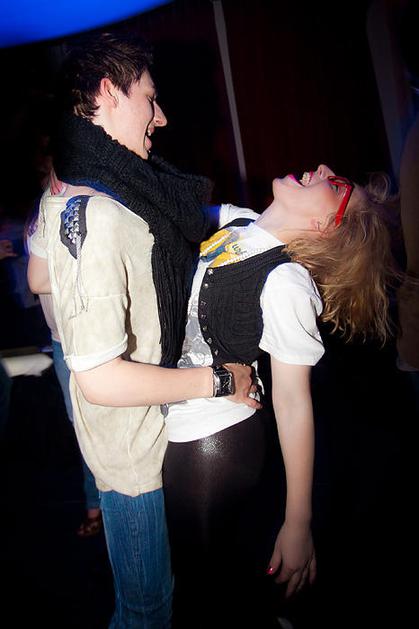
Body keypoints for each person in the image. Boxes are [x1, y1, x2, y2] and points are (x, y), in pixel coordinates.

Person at [27, 32, 256, 628]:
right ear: (109, 93)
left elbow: (40, 276)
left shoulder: (88, 188)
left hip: (148, 432)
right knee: (147, 613)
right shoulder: (98, 209)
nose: (162, 116)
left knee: (154, 604)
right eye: (150, 98)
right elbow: (101, 380)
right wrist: (220, 380)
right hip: (132, 456)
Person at [163, 164, 400, 628]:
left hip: (212, 443)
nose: (323, 168)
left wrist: (298, 524)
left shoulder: (288, 281)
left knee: (199, 597)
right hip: (180, 422)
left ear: (325, 224)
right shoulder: (237, 221)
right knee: (207, 587)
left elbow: (293, 404)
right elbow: (169, 202)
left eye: (336, 185)